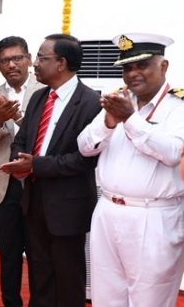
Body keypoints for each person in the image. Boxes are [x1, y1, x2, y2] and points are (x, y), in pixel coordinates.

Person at [77, 33, 184, 306]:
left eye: (142, 65)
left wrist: (130, 119)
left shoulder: (178, 107)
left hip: (153, 216)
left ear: (163, 66)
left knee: (149, 297)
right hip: (108, 209)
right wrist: (109, 123)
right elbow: (85, 147)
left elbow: (171, 153)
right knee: (106, 295)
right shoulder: (119, 102)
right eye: (126, 67)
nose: (133, 73)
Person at [0, 34, 101, 307]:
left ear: (61, 63)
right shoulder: (39, 98)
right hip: (33, 201)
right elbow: (22, 140)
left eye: (42, 58)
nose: (35, 65)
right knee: (40, 279)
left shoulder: (91, 102)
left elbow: (84, 160)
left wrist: (36, 165)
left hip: (68, 207)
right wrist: (18, 166)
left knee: (68, 280)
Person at [0, 36, 44, 307]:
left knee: (40, 255)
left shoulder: (46, 90)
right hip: (4, 189)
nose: (11, 64)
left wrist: (16, 117)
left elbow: (45, 136)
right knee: (9, 255)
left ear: (29, 59)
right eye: (5, 60)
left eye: (17, 58)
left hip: (39, 186)